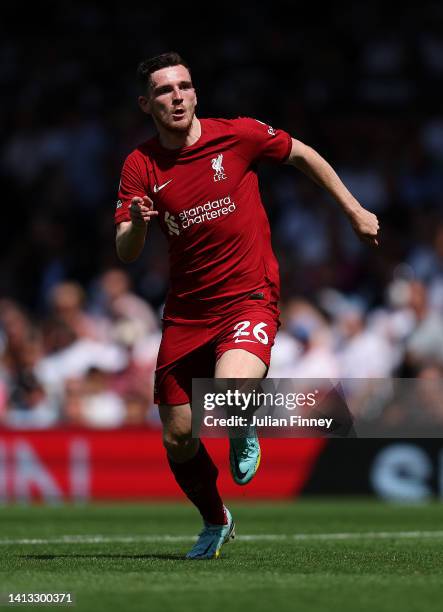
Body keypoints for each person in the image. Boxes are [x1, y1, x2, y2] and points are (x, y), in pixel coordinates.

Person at [114, 52, 379, 559]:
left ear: (195, 93)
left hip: (248, 294)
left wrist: (353, 208)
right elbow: (125, 247)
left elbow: (302, 154)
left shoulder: (238, 135)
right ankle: (216, 520)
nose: (177, 96)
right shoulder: (140, 164)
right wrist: (139, 223)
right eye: (165, 91)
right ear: (146, 103)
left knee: (230, 390)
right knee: (179, 438)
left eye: (184, 87)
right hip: (187, 312)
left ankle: (241, 423)